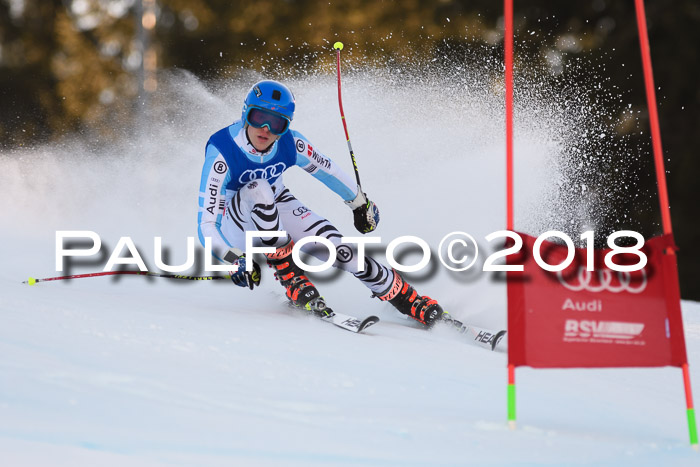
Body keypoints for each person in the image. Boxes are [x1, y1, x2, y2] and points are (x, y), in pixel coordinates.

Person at [197, 79, 447, 327]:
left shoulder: (290, 143)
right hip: (235, 223)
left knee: (343, 251)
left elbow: (328, 170)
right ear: (245, 114)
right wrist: (232, 258)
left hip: (275, 204)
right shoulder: (222, 150)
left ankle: (407, 298)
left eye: (277, 123)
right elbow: (207, 224)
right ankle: (291, 276)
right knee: (259, 187)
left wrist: (360, 204)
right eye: (258, 117)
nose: (265, 129)